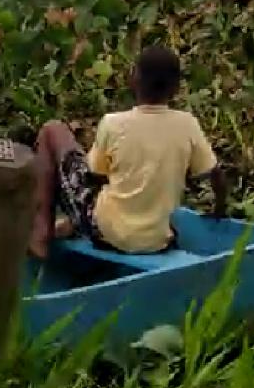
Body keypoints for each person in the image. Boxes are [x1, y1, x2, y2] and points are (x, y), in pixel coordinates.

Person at [29, 45, 226, 259]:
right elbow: (216, 175)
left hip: (108, 234)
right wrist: (219, 209)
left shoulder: (113, 124)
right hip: (158, 241)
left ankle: (40, 233)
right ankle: (69, 225)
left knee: (53, 130)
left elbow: (94, 176)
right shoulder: (188, 124)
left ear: (134, 79)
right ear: (176, 87)